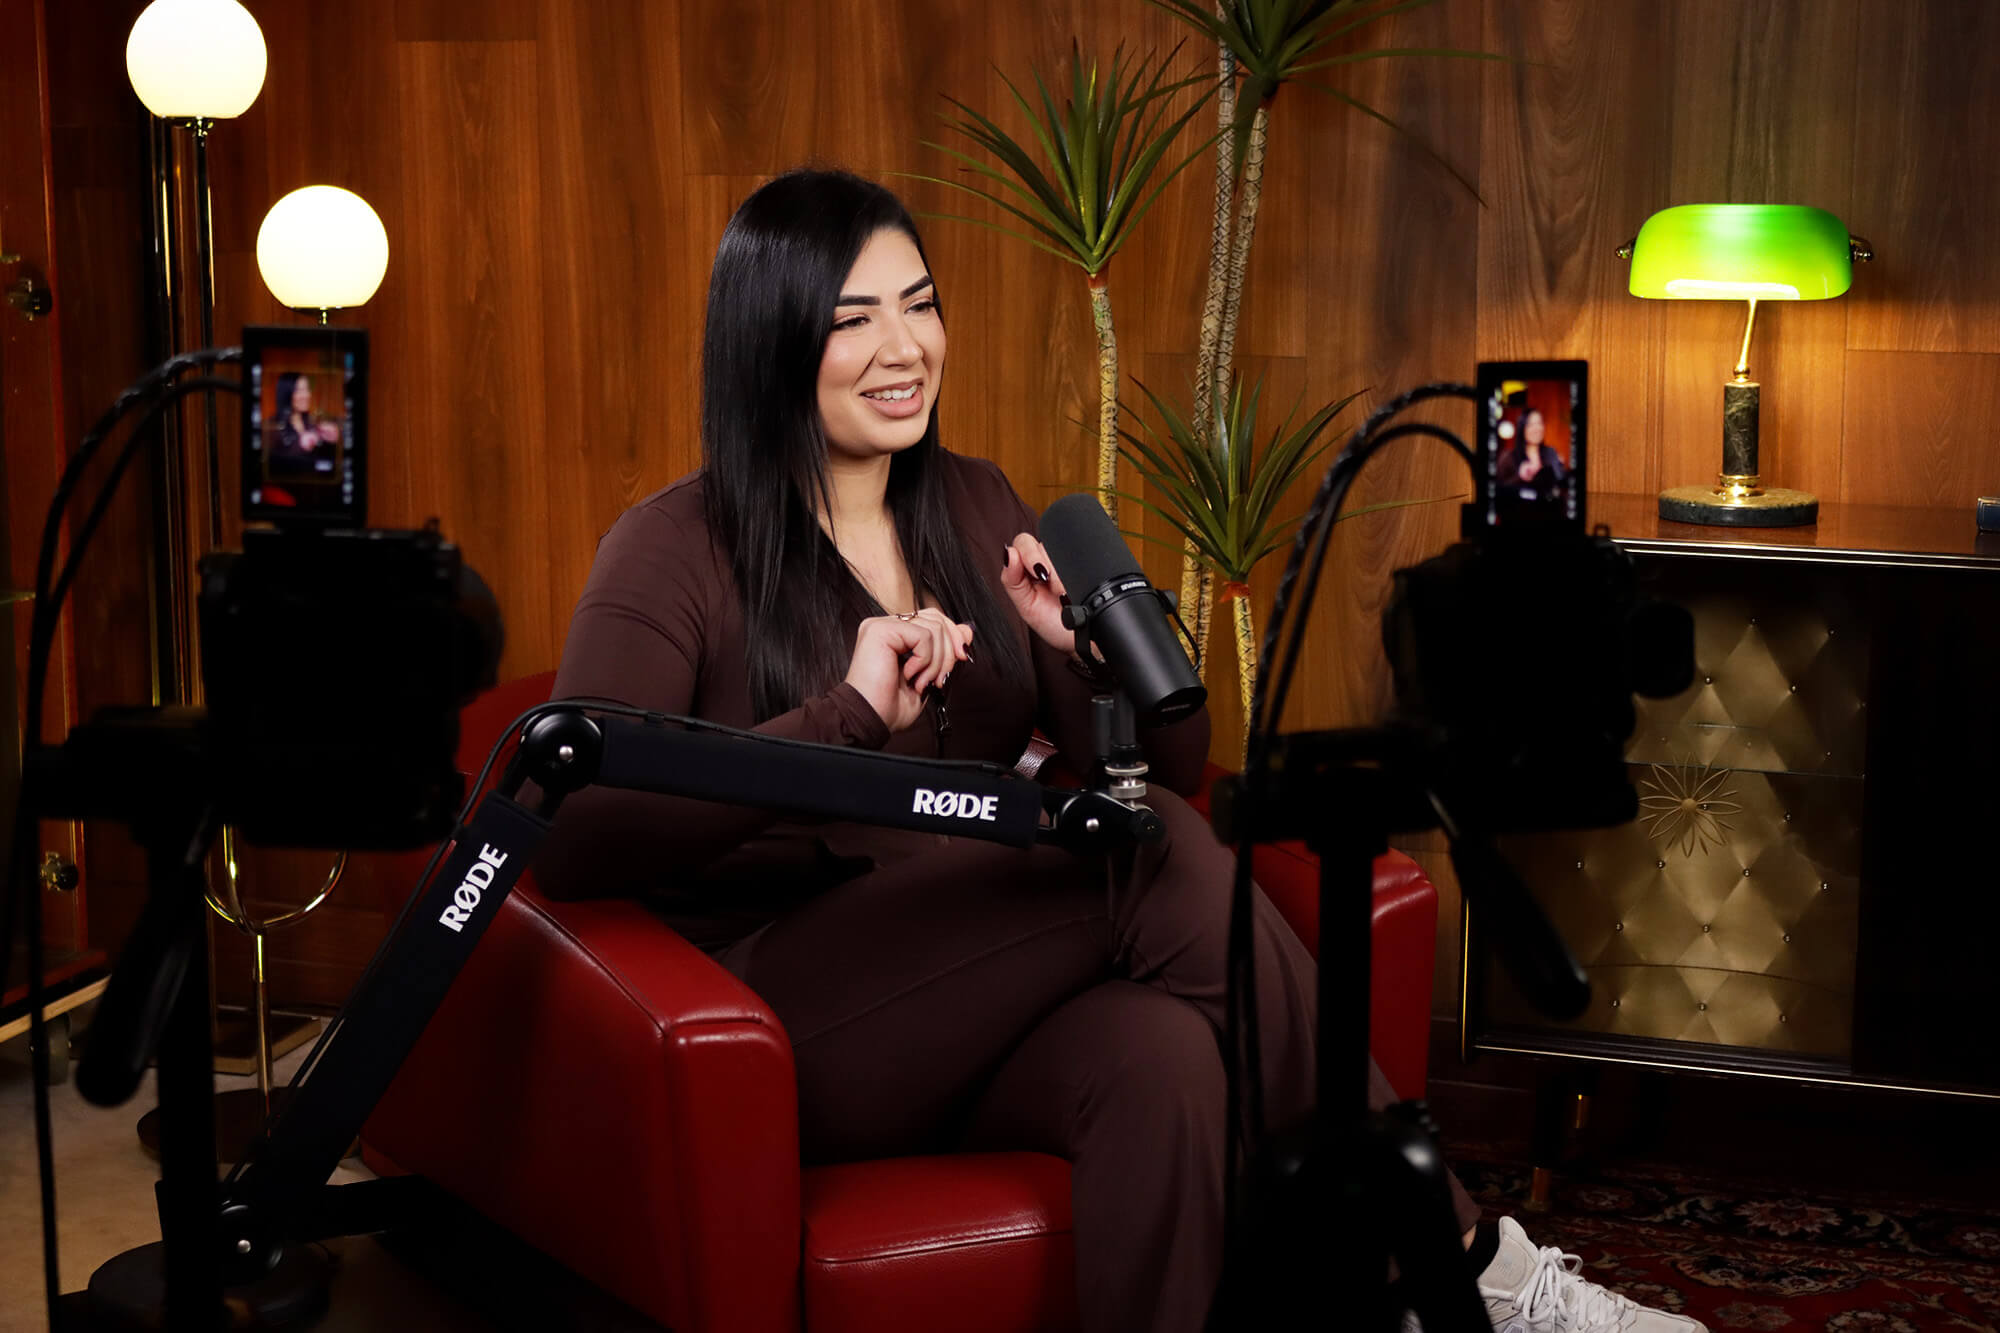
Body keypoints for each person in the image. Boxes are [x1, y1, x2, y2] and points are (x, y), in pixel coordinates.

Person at [536, 168, 1703, 1333]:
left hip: (981, 993)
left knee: (1158, 1061)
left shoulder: (973, 503)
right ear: (769, 341)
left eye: (919, 304)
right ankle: (1466, 1266)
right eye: (852, 320)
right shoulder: (673, 548)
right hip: (790, 1021)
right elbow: (577, 828)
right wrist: (844, 710)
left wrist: (1085, 653)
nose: (903, 347)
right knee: (1143, 854)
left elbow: (1173, 761)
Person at [267, 371, 339, 477]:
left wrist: (333, 440)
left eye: (307, 389)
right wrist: (301, 446)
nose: (306, 395)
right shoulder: (272, 426)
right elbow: (275, 463)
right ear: (286, 393)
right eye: (299, 391)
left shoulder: (313, 423)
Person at [1494, 407, 1567, 509]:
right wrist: (1519, 476)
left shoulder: (1551, 453)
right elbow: (1496, 492)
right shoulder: (1508, 457)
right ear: (1522, 428)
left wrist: (1560, 469)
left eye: (1539, 423)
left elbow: (1561, 487)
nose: (1536, 428)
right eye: (1531, 424)